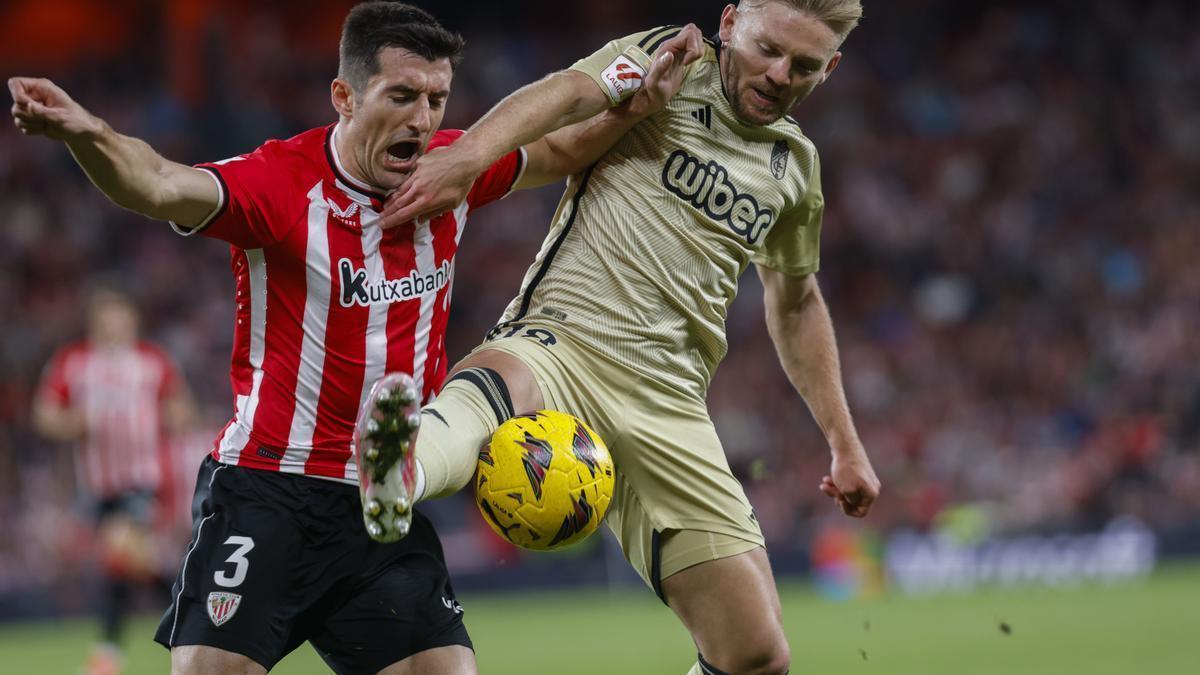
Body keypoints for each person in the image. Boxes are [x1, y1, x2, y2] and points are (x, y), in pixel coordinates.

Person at [9, 1, 699, 672]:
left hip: (384, 498)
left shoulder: (453, 172)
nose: (423, 119)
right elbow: (156, 184)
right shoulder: (281, 184)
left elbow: (561, 148)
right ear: (344, 94)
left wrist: (634, 108)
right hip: (269, 488)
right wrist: (85, 131)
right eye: (402, 96)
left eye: (436, 99)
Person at [357, 1, 881, 673]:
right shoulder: (673, 63)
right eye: (767, 49)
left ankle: (408, 458)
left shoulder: (795, 168)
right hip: (567, 337)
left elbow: (797, 300)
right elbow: (569, 91)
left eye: (804, 65)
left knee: (755, 653)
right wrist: (467, 157)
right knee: (492, 390)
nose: (780, 74)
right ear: (730, 24)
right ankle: (402, 464)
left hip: (671, 402)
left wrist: (845, 443)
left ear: (830, 68)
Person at [33, 287, 197, 675]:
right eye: (106, 317)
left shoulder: (152, 362)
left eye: (120, 316)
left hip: (143, 480)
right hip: (96, 486)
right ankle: (194, 611)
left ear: (132, 320)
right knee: (134, 564)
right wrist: (71, 423)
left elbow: (182, 410)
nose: (114, 325)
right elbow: (46, 416)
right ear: (95, 322)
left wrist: (175, 418)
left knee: (118, 552)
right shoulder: (73, 362)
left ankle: (108, 655)